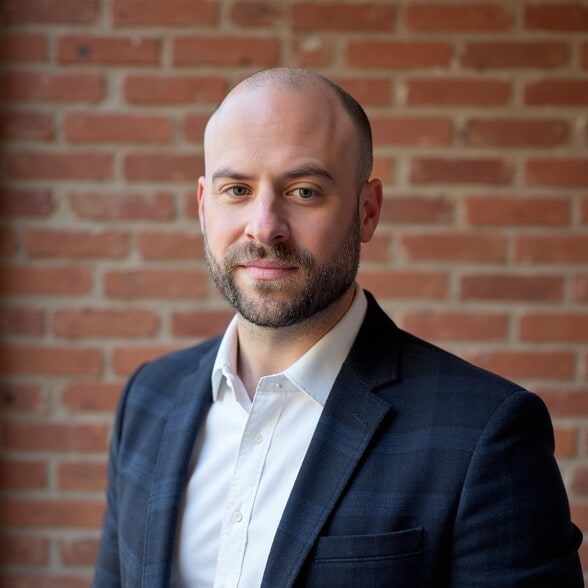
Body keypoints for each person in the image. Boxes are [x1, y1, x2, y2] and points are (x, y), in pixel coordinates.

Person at [93, 67, 583, 588]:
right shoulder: (148, 399)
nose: (264, 227)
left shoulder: (484, 434)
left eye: (304, 192)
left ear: (367, 212)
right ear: (202, 206)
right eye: (236, 189)